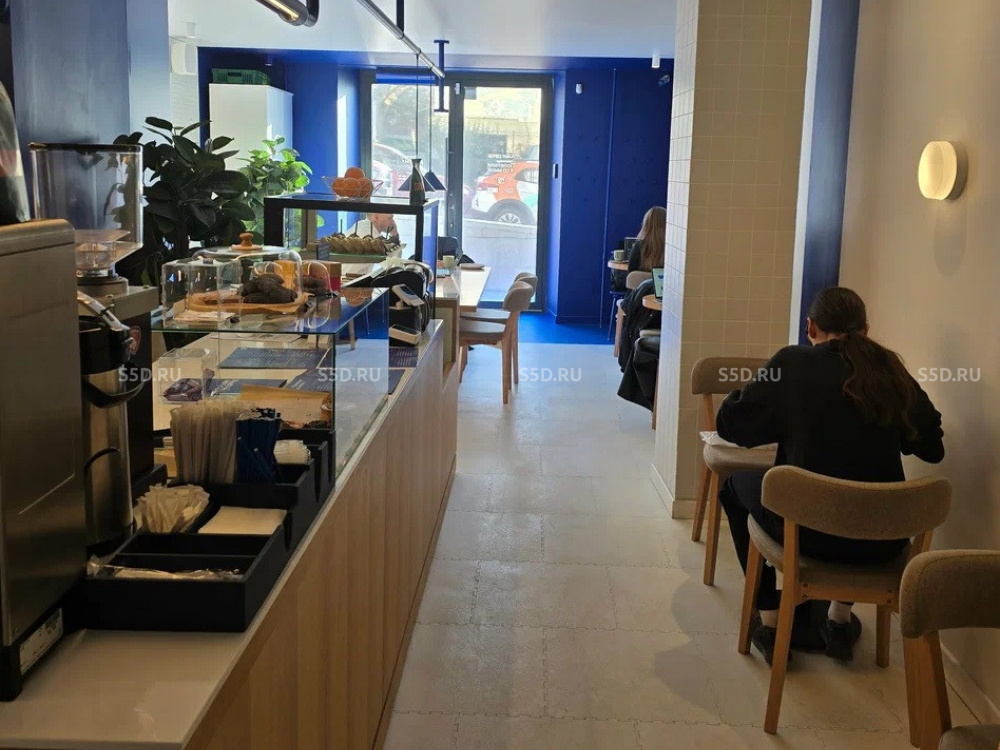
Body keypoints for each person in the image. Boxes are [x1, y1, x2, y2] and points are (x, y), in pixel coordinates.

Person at [716, 287, 944, 663]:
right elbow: (932, 448)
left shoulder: (792, 364)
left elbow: (730, 424)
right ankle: (838, 620)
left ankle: (770, 623)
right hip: (882, 541)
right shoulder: (890, 370)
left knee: (733, 487)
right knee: (857, 494)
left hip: (806, 535)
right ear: (866, 330)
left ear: (811, 327)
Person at [627, 206, 666, 273]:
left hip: (640, 280)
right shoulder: (672, 249)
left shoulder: (639, 246)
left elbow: (631, 275)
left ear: (646, 225)